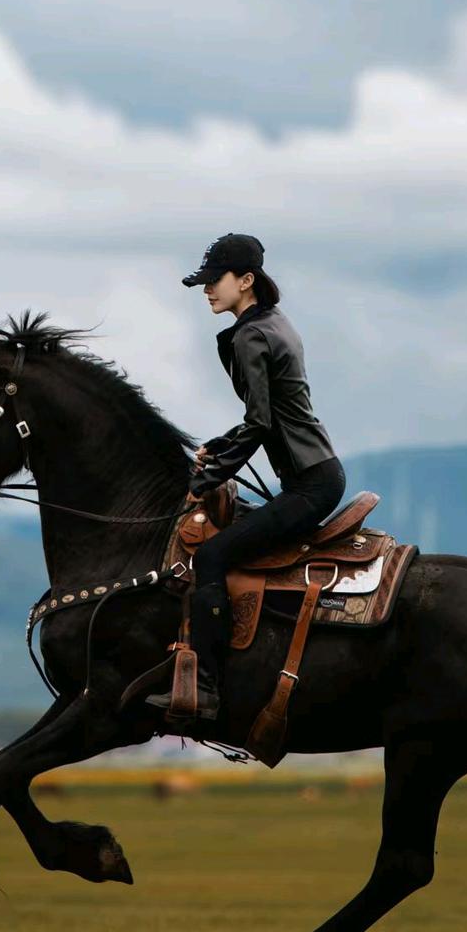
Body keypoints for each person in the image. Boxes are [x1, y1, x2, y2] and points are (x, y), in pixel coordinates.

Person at [148, 233, 346, 721]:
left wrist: (205, 479)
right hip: (317, 475)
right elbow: (269, 418)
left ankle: (205, 687)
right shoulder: (274, 322)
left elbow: (259, 423)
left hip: (310, 485)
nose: (207, 290)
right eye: (204, 282)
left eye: (215, 280)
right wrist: (219, 448)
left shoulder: (251, 335)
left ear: (246, 280)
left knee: (212, 556)